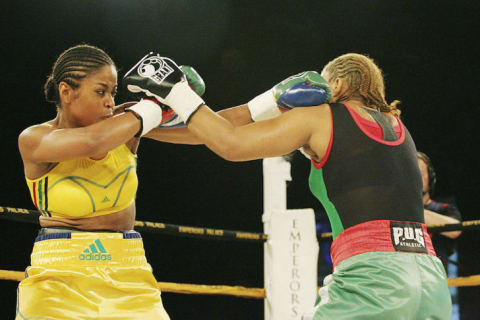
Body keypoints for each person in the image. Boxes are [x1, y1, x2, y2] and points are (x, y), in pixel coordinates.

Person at [124, 52, 452, 319]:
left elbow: (230, 143)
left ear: (336, 83)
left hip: (373, 279)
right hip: (430, 279)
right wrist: (144, 126)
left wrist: (175, 91)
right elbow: (232, 123)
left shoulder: (321, 117)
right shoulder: (400, 129)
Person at [16, 44, 182, 319]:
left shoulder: (127, 124)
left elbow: (208, 130)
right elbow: (92, 141)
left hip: (128, 270)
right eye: (100, 91)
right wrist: (153, 106)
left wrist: (268, 104)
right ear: (66, 92)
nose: (109, 101)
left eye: (113, 93)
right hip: (59, 274)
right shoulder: (35, 139)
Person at [418, 151, 462, 272]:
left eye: (419, 173)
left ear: (430, 178)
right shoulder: (396, 209)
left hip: (435, 275)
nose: (414, 178)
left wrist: (412, 209)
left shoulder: (443, 208)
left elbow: (455, 230)